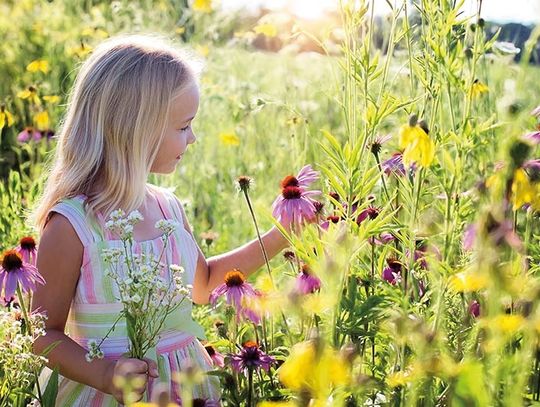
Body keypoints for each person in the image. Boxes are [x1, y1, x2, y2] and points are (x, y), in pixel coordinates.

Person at [30, 34, 289, 406]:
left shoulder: (168, 208)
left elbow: (204, 285)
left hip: (186, 386)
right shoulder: (72, 226)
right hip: (104, 393)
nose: (194, 137)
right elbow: (44, 335)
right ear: (136, 130)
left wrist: (281, 235)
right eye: (184, 126)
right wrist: (103, 373)